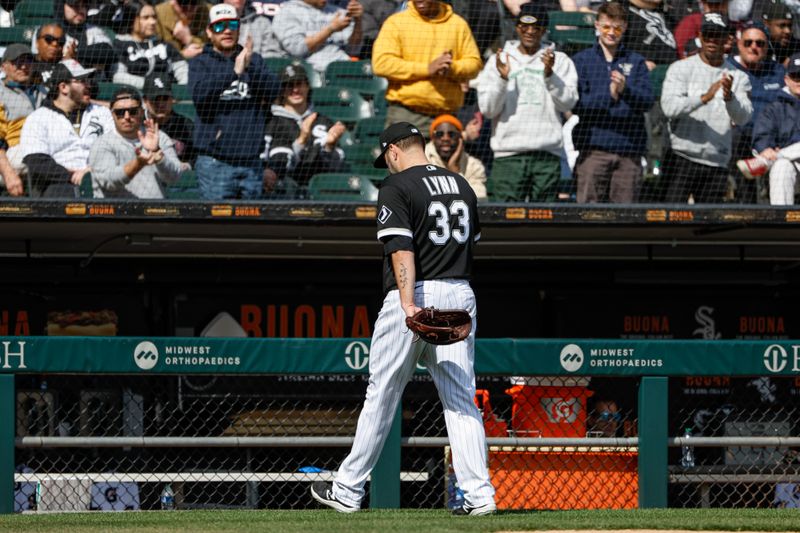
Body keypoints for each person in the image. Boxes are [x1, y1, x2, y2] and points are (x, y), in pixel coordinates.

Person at [309, 122, 495, 516]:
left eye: (386, 157)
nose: (387, 164)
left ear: (393, 150)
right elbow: (472, 243)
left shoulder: (396, 186)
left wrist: (409, 303)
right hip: (460, 291)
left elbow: (401, 248)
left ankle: (347, 489)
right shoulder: (462, 184)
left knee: (383, 393)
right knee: (461, 400)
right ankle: (480, 497)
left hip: (415, 295)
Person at [477, 3, 577, 202]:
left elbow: (568, 103)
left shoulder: (560, 60)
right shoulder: (500, 59)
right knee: (503, 221)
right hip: (508, 155)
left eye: (536, 28)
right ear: (516, 27)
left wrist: (550, 76)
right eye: (524, 26)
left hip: (546, 154)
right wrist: (501, 79)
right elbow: (487, 109)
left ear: (544, 30)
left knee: (544, 223)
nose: (530, 32)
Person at [189, 3, 280, 199]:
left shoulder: (254, 60)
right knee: (217, 226)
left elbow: (273, 91)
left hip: (251, 163)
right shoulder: (200, 63)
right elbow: (200, 96)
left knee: (252, 226)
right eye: (220, 26)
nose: (227, 31)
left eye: (232, 24)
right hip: (216, 163)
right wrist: (233, 73)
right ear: (209, 32)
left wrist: (249, 67)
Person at [661, 13, 752, 203]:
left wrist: (729, 97)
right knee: (670, 219)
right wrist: (704, 98)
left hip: (716, 161)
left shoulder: (738, 76)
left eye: (717, 35)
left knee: (708, 226)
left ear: (727, 39)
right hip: (681, 157)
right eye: (707, 34)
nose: (711, 40)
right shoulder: (680, 68)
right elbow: (669, 108)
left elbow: (744, 117)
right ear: (700, 36)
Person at [572, 1, 654, 203]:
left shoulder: (636, 61)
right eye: (607, 26)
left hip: (629, 150)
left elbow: (647, 101)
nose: (611, 32)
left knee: (625, 219)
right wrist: (609, 96)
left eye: (617, 28)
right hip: (593, 150)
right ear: (597, 26)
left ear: (624, 28)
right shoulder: (581, 60)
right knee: (587, 214)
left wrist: (625, 89)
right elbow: (578, 105)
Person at [372, 0, 482, 132]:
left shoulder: (458, 24)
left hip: (446, 116)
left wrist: (452, 68)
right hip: (406, 113)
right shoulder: (396, 22)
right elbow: (381, 63)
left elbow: (474, 64)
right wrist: (427, 69)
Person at [18, 59, 114, 197]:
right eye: (81, 81)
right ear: (63, 87)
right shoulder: (38, 118)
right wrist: (73, 175)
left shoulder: (102, 113)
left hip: (102, 179)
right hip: (60, 185)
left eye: (88, 80)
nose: (89, 85)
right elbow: (36, 161)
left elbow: (116, 147)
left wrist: (91, 172)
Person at [264, 63, 346, 197]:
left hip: (321, 193)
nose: (295, 90)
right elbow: (277, 167)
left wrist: (329, 147)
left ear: (307, 86)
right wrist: (301, 140)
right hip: (284, 193)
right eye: (289, 85)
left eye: (299, 84)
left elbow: (336, 168)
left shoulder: (323, 121)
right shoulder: (271, 121)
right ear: (282, 90)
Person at [727, 21, 785, 202]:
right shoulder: (727, 68)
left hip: (775, 141)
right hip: (740, 139)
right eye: (748, 42)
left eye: (759, 43)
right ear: (739, 44)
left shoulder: (777, 71)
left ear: (767, 47)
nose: (753, 47)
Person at [89, 88, 184, 198]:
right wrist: (138, 164)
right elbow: (108, 181)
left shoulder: (158, 137)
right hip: (116, 213)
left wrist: (159, 156)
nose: (127, 117)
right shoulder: (102, 143)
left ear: (141, 112)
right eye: (120, 112)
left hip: (155, 212)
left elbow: (175, 177)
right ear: (112, 114)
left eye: (132, 111)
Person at [740, 52, 800, 204]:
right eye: (795, 76)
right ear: (786, 79)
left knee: (779, 159)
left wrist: (780, 153)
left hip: (783, 156)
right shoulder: (774, 109)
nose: (799, 81)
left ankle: (765, 162)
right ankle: (781, 222)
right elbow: (762, 138)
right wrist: (766, 149)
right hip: (795, 169)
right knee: (781, 166)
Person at [0, 44, 48, 196]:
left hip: (45, 146)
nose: (23, 66)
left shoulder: (43, 91)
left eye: (28, 61)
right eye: (16, 62)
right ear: (3, 67)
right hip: (14, 151)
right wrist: (8, 174)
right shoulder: (1, 93)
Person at [112, 0, 189, 89]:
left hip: (165, 96)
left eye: (154, 17)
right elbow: (118, 76)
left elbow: (183, 71)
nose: (152, 22)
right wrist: (151, 85)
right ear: (131, 19)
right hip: (134, 95)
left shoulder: (164, 45)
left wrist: (180, 92)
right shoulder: (119, 45)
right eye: (146, 18)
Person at [272, 0, 363, 76]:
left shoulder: (338, 12)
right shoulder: (287, 13)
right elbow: (297, 49)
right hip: (311, 73)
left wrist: (358, 21)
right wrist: (330, 29)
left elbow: (353, 49)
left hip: (344, 68)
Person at [33, 0, 116, 76]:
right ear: (61, 6)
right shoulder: (46, 30)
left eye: (84, 5)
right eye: (75, 5)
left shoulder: (93, 29)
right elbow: (39, 59)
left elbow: (108, 52)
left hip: (89, 81)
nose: (80, 10)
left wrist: (76, 54)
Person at [424, 114, 487, 200]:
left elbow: (480, 199)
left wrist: (455, 173)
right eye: (439, 134)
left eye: (452, 134)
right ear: (433, 138)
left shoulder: (474, 166)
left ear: (460, 138)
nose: (445, 138)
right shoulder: (422, 159)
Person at [143, 71, 196, 165]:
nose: (161, 104)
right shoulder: (138, 125)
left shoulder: (185, 125)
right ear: (145, 101)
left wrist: (188, 165)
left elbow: (198, 156)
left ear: (172, 99)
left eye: (165, 98)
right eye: (155, 99)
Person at [622, 0, 677, 69]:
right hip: (647, 74)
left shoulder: (670, 14)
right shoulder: (620, 12)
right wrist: (635, 63)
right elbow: (612, 54)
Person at [760, 0, 800, 65]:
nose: (788, 31)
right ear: (767, 24)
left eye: (790, 26)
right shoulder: (756, 46)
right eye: (782, 25)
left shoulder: (796, 47)